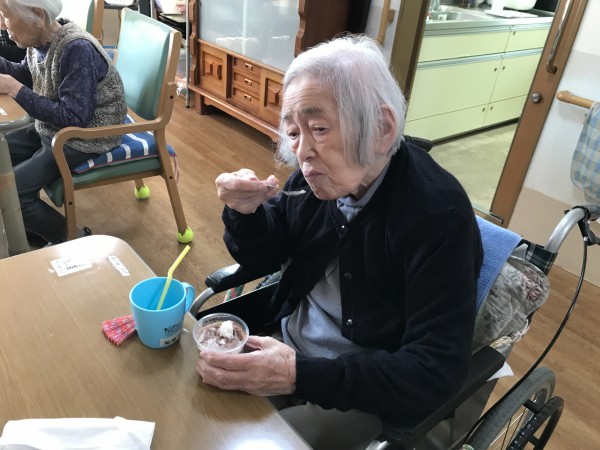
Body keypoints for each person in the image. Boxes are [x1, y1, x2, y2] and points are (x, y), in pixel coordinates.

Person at [198, 35, 483, 449]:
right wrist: (246, 213)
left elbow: (434, 369)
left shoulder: (437, 217)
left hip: (363, 391)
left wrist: (297, 375)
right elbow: (264, 254)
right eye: (293, 132)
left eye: (319, 129)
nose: (301, 152)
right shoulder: (316, 180)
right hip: (287, 347)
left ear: (382, 129)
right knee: (198, 408)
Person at [0, 0, 127, 245]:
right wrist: (12, 80)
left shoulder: (76, 48)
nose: (3, 26)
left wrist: (15, 89)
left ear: (37, 15)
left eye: (6, 16)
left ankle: (75, 240)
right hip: (53, 129)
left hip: (86, 137)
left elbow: (74, 118)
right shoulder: (39, 41)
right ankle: (31, 224)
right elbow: (28, 74)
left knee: (13, 193)